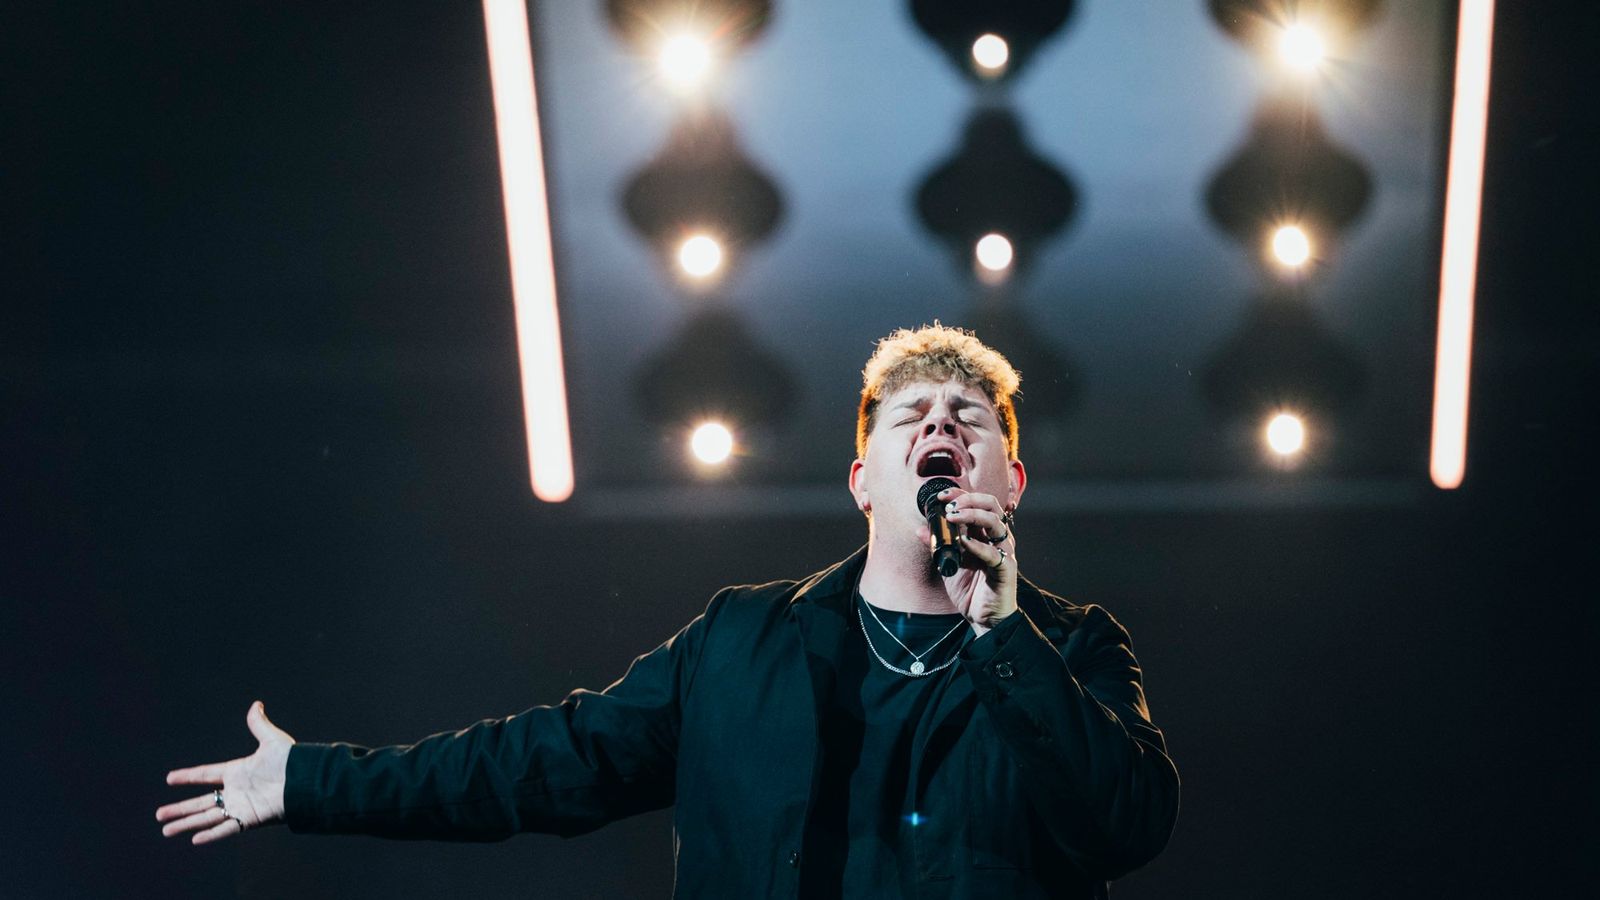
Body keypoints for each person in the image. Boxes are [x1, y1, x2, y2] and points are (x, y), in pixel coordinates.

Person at [157, 324, 1180, 898]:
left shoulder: (1075, 647)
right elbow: (540, 764)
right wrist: (314, 779)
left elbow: (1126, 824)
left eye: (971, 421)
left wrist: (1002, 633)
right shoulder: (742, 645)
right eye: (914, 413)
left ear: (1012, 484)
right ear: (865, 479)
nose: (943, 424)